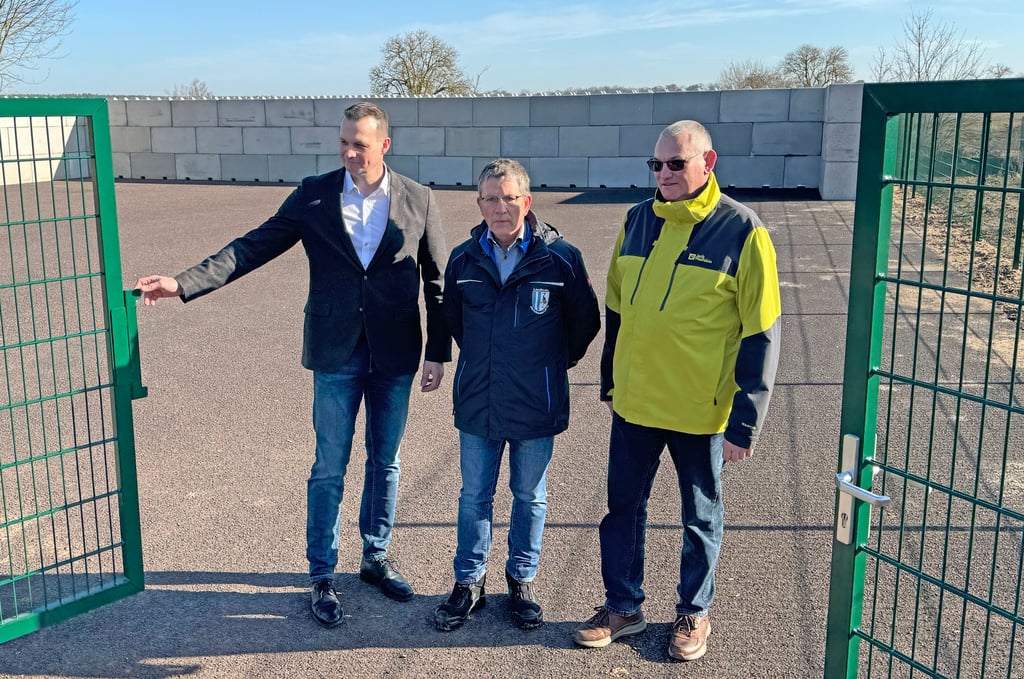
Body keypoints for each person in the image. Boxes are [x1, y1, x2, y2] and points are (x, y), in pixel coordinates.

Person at [134, 101, 450, 628]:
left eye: (361, 144)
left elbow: (436, 281)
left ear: (385, 146)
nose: (350, 152)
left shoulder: (418, 198)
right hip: (335, 350)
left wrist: (438, 352)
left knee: (385, 460)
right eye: (345, 142)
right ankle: (321, 573)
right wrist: (183, 282)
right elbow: (254, 245)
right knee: (330, 464)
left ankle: (376, 555)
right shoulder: (315, 194)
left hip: (395, 350)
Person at [571, 120, 781, 661]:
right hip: (636, 404)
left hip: (700, 410)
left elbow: (761, 331)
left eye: (675, 164)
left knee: (700, 516)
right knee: (622, 510)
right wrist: (611, 379)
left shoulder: (742, 230)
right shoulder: (637, 220)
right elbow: (617, 307)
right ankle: (623, 606)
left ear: (707, 164)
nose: (663, 174)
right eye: (656, 165)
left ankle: (693, 612)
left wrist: (745, 421)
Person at [434, 159, 600, 632]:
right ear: (479, 203)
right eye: (490, 198)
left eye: (510, 197)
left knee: (529, 496)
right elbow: (456, 323)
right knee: (474, 496)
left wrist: (548, 365)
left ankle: (521, 580)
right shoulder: (464, 259)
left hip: (536, 401)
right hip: (478, 400)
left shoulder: (561, 257)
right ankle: (468, 582)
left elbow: (584, 324)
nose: (500, 207)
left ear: (528, 201)